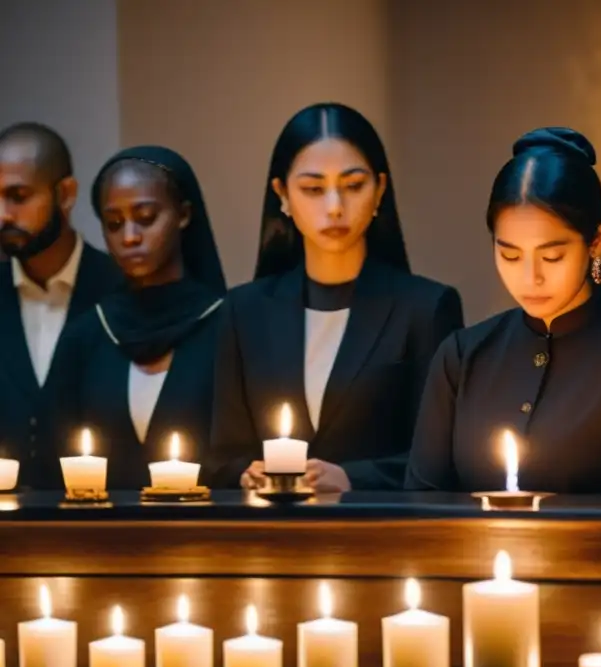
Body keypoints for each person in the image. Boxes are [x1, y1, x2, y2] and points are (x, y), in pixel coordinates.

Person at [405, 128, 601, 493]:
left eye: (552, 256)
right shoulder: (461, 357)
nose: (529, 277)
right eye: (509, 254)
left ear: (596, 242)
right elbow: (422, 504)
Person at [209, 103, 463, 491]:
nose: (334, 208)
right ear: (282, 194)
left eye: (353, 185)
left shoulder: (426, 308)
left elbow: (440, 458)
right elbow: (222, 455)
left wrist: (351, 477)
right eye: (313, 189)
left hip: (381, 538)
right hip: (269, 539)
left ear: (379, 189)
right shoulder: (244, 311)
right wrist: (246, 472)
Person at [49, 146, 226, 489]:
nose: (129, 236)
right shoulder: (86, 335)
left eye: (145, 217)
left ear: (183, 214)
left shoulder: (228, 327)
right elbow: (50, 461)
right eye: (114, 224)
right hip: (101, 538)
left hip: (213, 536)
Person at [0, 122, 121, 489]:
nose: (3, 215)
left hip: (104, 527)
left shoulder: (120, 288)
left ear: (66, 194)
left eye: (18, 196)